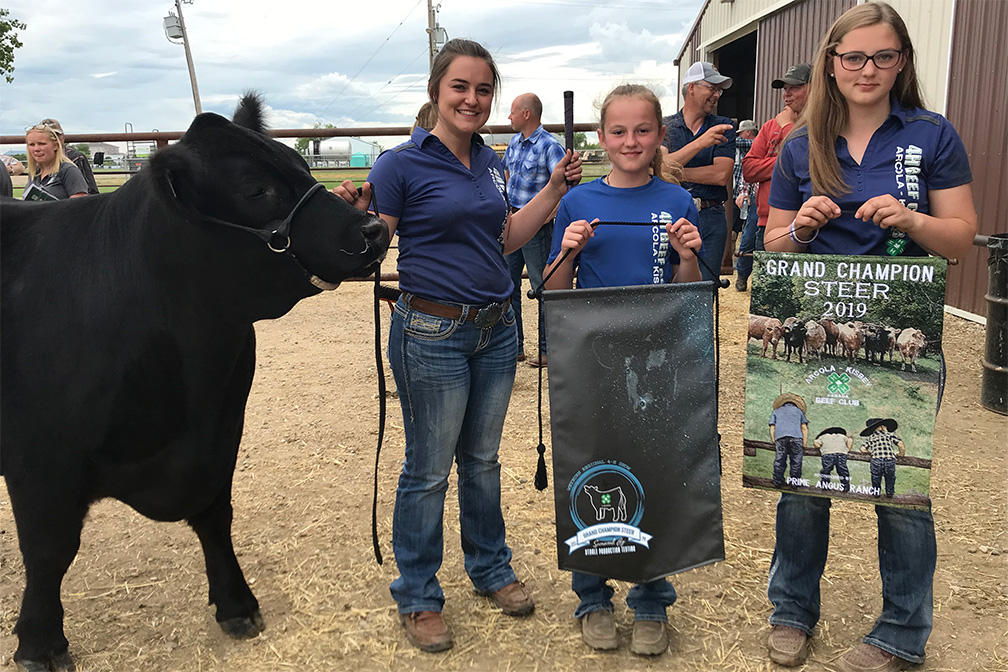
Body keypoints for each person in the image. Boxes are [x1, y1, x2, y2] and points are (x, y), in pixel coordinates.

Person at [332, 38, 581, 654]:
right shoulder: (399, 165)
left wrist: (551, 191)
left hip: (497, 328)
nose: (472, 99)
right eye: (460, 88)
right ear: (435, 92)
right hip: (431, 333)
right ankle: (417, 592)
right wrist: (353, 220)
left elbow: (504, 239)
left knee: (484, 460)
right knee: (427, 470)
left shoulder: (492, 163)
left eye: (483, 89)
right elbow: (370, 249)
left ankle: (489, 568)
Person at [763, 3, 977, 671]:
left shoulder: (932, 135)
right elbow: (773, 245)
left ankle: (903, 634)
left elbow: (962, 240)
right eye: (853, 56)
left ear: (903, 63)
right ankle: (792, 610)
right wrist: (801, 225)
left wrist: (913, 220)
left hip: (903, 327)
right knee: (802, 479)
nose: (868, 69)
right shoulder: (802, 144)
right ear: (831, 62)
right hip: (821, 322)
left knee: (899, 486)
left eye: (884, 56)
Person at [544, 84, 702, 657]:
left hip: (659, 361)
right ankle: (591, 594)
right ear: (602, 138)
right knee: (591, 465)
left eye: (642, 130)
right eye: (618, 131)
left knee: (655, 470)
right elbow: (555, 292)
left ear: (660, 136)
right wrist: (566, 250)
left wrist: (687, 255)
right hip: (594, 362)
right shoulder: (578, 202)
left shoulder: (678, 204)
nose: (630, 141)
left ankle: (652, 597)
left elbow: (691, 296)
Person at [503, 92, 566, 368]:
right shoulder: (514, 143)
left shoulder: (550, 146)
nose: (509, 116)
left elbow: (562, 189)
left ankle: (546, 349)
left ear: (526, 114)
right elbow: (506, 176)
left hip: (537, 228)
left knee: (542, 285)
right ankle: (514, 346)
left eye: (513, 111)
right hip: (512, 223)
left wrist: (543, 218)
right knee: (508, 285)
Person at [739, 63, 811, 291]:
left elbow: (808, 164)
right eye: (785, 89)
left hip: (806, 226)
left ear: (814, 88)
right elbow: (749, 169)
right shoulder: (771, 126)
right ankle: (741, 275)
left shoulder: (817, 125)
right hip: (767, 223)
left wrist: (788, 128)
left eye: (795, 88)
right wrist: (785, 163)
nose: (786, 95)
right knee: (768, 295)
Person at [661, 61, 735, 282]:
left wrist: (674, 171)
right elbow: (660, 166)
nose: (717, 95)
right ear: (691, 88)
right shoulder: (667, 126)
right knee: (669, 284)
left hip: (710, 215)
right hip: (673, 215)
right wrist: (700, 143)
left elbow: (720, 175)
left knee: (704, 289)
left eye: (719, 90)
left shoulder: (723, 125)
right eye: (711, 88)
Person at [22, 123, 88, 200]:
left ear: (55, 145)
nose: (36, 149)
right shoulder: (35, 172)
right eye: (31, 145)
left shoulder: (69, 170)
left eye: (41, 144)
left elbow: (79, 205)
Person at [38, 118, 100, 195]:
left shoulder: (76, 158)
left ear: (62, 138)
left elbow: (91, 191)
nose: (53, 140)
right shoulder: (37, 161)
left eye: (55, 136)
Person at [731, 119, 758, 289]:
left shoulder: (754, 143)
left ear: (748, 132)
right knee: (748, 236)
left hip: (768, 198)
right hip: (754, 198)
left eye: (741, 132)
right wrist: (743, 192)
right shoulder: (755, 147)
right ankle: (742, 275)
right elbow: (748, 173)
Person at [768, 393, 808, 487]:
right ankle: (794, 483)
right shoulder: (799, 411)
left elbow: (772, 426)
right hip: (796, 438)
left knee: (780, 460)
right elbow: (804, 428)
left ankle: (778, 482)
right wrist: (804, 442)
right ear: (795, 404)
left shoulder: (776, 411)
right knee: (796, 461)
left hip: (780, 438)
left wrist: (774, 439)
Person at [859, 418, 904, 498]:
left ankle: (876, 493)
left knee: (876, 477)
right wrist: (901, 454)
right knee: (890, 478)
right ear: (881, 426)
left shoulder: (871, 437)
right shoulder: (889, 435)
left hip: (876, 459)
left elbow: (862, 449)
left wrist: (870, 453)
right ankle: (889, 493)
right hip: (889, 460)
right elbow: (900, 444)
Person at [814, 426, 853, 492]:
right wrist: (848, 449)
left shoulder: (823, 436)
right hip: (841, 453)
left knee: (826, 470)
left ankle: (825, 486)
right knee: (843, 470)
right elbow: (850, 440)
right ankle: (845, 486)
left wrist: (820, 447)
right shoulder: (841, 436)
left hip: (827, 453)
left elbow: (816, 443)